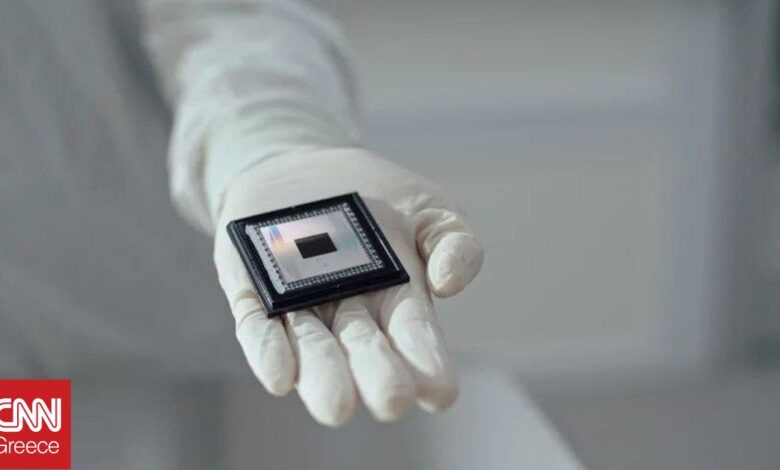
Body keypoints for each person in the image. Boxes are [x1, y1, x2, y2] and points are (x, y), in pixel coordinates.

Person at [0, 0, 483, 430]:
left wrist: (268, 136)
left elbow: (231, 12)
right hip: (19, 382)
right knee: (35, 450)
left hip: (177, 342)